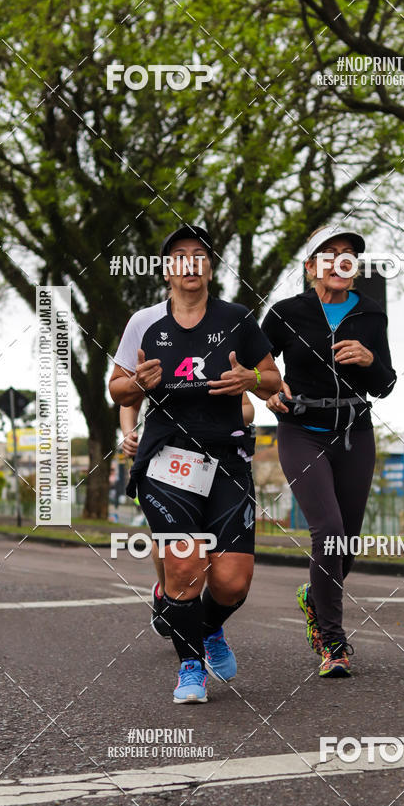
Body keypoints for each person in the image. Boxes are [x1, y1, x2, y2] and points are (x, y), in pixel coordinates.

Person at [109, 225, 280, 703]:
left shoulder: (239, 319)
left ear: (209, 267)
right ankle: (190, 667)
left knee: (230, 582)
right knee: (185, 568)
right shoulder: (144, 322)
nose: (189, 263)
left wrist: (250, 377)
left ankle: (206, 630)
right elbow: (116, 387)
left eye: (199, 255)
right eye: (179, 256)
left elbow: (272, 380)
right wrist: (138, 384)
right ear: (167, 269)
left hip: (226, 457)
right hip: (166, 459)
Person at [261, 225, 396, 678]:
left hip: (355, 431)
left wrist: (371, 361)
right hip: (302, 430)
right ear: (311, 267)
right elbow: (262, 368)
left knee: (348, 540)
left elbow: (387, 384)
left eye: (348, 255)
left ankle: (313, 597)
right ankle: (332, 642)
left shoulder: (371, 314)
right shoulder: (285, 313)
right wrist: (272, 390)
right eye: (329, 254)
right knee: (329, 528)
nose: (340, 261)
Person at [119, 392, 256, 638]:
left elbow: (247, 408)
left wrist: (216, 418)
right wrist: (128, 432)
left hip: (215, 461)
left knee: (209, 553)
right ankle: (166, 590)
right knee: (172, 543)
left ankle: (198, 623)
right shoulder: (158, 356)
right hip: (165, 456)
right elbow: (129, 398)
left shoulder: (220, 362)